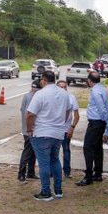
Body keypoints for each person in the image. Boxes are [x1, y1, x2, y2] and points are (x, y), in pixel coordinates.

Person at [26, 71, 71, 201]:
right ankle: (58, 190)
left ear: (43, 80)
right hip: (57, 133)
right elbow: (68, 111)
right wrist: (61, 123)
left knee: (44, 163)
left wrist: (29, 129)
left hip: (42, 132)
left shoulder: (40, 94)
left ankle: (46, 192)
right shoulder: (64, 93)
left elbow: (30, 114)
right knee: (55, 160)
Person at [76, 71, 108, 186]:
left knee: (88, 147)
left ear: (89, 81)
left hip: (96, 123)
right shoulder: (103, 89)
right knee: (97, 148)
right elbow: (106, 107)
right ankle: (98, 173)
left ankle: (88, 175)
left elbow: (102, 108)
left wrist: (105, 121)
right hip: (100, 122)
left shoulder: (95, 91)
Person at [18, 79, 42, 182]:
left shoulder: (27, 95)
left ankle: (30, 172)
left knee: (33, 151)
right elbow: (29, 114)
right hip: (29, 129)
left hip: (28, 128)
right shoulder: (32, 97)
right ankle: (21, 174)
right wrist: (29, 129)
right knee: (28, 151)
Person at [56, 80, 80, 178]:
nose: (62, 89)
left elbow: (76, 115)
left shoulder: (71, 97)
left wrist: (72, 127)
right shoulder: (53, 97)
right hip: (54, 130)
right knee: (54, 152)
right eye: (60, 87)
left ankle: (67, 172)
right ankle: (53, 171)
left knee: (66, 150)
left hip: (66, 129)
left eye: (64, 87)